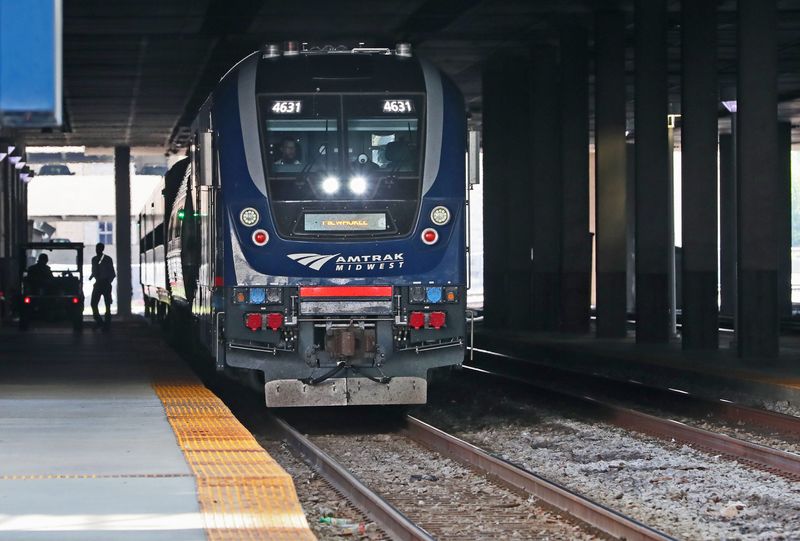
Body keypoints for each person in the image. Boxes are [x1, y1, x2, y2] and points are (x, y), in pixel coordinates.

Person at [89, 242, 116, 331]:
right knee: (95, 304)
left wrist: (107, 282)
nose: (97, 250)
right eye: (97, 248)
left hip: (104, 283)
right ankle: (102, 323)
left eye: (98, 248)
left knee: (105, 305)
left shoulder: (107, 259)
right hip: (100, 283)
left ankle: (103, 323)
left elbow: (112, 273)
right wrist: (92, 276)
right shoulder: (95, 259)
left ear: (102, 249)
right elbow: (95, 270)